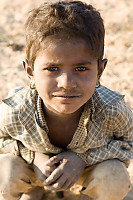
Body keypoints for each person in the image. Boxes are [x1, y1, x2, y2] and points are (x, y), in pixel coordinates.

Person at [0, 1, 133, 200]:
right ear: (30, 71)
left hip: (86, 178)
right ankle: (33, 192)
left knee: (115, 175)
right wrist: (33, 157)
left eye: (81, 69)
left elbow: (128, 144)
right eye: (53, 69)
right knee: (5, 170)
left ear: (100, 70)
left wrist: (83, 158)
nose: (66, 83)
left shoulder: (111, 110)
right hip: (34, 176)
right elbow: (2, 141)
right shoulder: (15, 110)